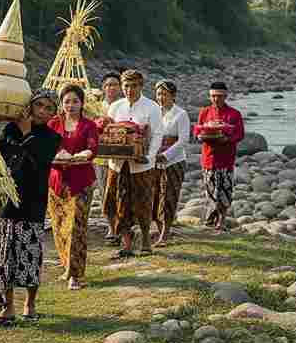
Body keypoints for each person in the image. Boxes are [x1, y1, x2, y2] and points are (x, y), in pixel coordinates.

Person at [0, 89, 62, 326]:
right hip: (6, 202)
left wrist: (27, 133)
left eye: (49, 108)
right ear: (30, 106)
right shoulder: (9, 131)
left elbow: (38, 161)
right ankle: (7, 307)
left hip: (32, 202)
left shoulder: (52, 138)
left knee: (30, 254)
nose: (43, 112)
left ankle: (30, 303)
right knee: (3, 254)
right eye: (40, 105)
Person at [104, 70, 164, 258]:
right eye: (126, 86)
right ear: (122, 87)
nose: (129, 90)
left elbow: (157, 135)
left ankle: (146, 242)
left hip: (142, 165)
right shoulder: (115, 106)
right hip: (117, 164)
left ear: (141, 86)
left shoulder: (152, 107)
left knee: (143, 203)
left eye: (134, 86)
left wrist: (151, 156)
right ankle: (126, 244)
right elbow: (107, 132)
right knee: (114, 202)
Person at [47, 84, 99, 290]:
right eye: (67, 101)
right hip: (57, 182)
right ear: (61, 103)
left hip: (81, 181)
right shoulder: (53, 124)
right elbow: (47, 146)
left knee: (76, 228)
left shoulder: (89, 125)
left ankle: (75, 275)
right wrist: (57, 154)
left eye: (75, 101)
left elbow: (92, 147)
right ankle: (66, 266)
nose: (71, 105)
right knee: (59, 227)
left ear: (82, 103)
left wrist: (83, 154)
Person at [197, 81, 245, 231]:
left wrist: (227, 139)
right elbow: (197, 131)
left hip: (226, 159)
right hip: (208, 158)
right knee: (211, 191)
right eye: (213, 96)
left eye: (219, 96)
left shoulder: (234, 114)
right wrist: (200, 136)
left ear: (225, 96)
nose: (215, 99)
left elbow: (240, 134)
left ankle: (221, 221)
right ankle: (211, 219)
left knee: (225, 192)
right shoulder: (204, 112)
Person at [153, 80, 191, 247]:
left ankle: (165, 233)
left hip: (173, 161)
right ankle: (159, 228)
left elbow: (183, 140)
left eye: (165, 94)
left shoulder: (180, 114)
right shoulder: (154, 112)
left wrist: (166, 155)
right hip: (154, 160)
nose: (161, 97)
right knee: (155, 195)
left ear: (173, 96)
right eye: (159, 94)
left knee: (169, 196)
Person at [94, 71, 123, 243]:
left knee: (120, 192)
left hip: (120, 155)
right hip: (101, 157)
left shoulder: (124, 105)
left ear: (119, 88)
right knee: (105, 193)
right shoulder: (96, 106)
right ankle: (111, 227)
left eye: (114, 84)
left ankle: (122, 227)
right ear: (103, 88)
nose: (110, 88)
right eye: (107, 85)